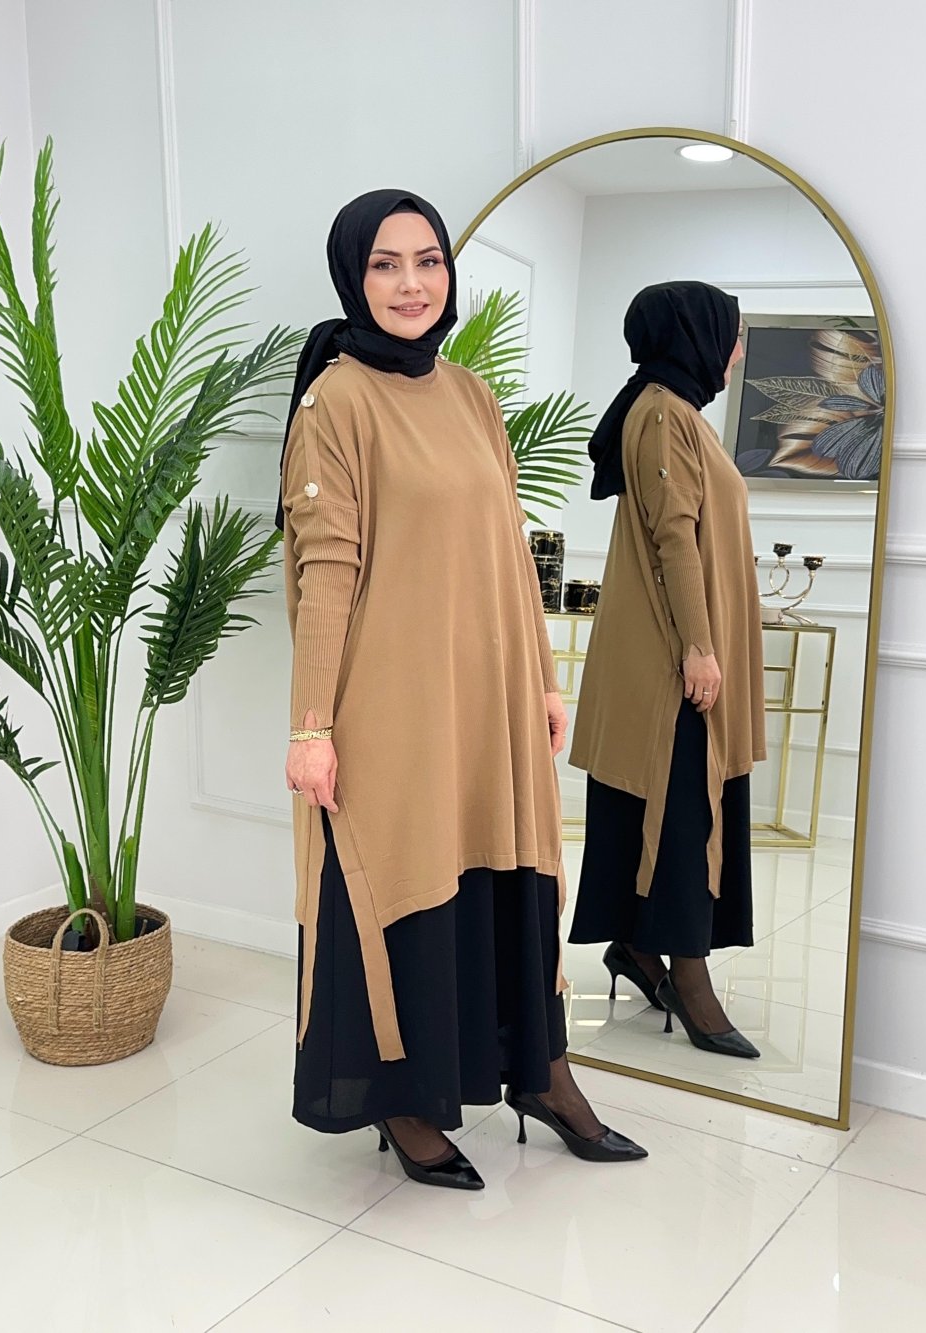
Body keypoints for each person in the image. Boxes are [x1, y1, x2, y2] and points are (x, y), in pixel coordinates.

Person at [278, 189, 646, 1191]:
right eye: (385, 264)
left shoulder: (471, 393)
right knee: (407, 880)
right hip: (391, 701)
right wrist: (312, 726)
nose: (411, 284)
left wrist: (541, 678)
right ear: (353, 276)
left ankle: (542, 1073)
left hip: (488, 695)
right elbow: (327, 568)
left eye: (428, 260)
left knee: (506, 871)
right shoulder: (335, 402)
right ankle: (402, 1097)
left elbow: (507, 547)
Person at [568, 281, 766, 1059]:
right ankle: (689, 979)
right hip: (669, 655)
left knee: (680, 801)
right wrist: (698, 647)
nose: (737, 350)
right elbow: (673, 536)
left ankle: (637, 947)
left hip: (682, 644)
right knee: (685, 809)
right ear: (696, 335)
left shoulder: (676, 411)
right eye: (731, 333)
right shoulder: (661, 414)